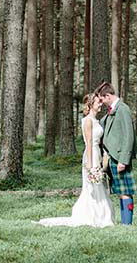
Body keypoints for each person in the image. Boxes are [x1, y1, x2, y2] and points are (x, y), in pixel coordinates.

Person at [37, 93, 115, 228]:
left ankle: (102, 216)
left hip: (97, 153)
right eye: (98, 102)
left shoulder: (96, 120)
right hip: (91, 155)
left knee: (99, 186)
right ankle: (92, 217)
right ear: (90, 105)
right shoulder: (88, 121)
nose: (100, 104)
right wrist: (91, 165)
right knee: (92, 187)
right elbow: (89, 142)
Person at [96, 82, 137, 225]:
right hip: (112, 157)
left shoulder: (123, 109)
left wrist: (124, 160)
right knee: (120, 191)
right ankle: (125, 223)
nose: (101, 103)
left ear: (108, 96)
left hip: (119, 157)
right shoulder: (112, 111)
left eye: (101, 99)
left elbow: (129, 135)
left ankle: (127, 224)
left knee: (126, 192)